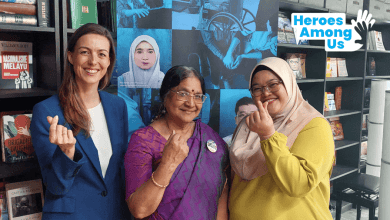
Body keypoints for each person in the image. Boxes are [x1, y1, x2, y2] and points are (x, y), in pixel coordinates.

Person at [30, 23, 142, 219]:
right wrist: (66, 154)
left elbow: (119, 170)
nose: (93, 61)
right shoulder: (46, 111)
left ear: (109, 61)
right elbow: (54, 186)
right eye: (85, 52)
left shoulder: (118, 106)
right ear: (71, 56)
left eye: (101, 54)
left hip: (115, 213)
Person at [229, 57, 335, 219]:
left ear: (289, 83)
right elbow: (236, 178)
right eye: (257, 88)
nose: (265, 93)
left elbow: (298, 184)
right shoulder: (248, 124)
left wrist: (268, 136)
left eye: (273, 84)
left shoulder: (314, 125)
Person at [124, 66, 229, 219]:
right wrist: (168, 163)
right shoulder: (143, 140)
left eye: (198, 96)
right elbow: (139, 209)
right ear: (165, 96)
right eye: (183, 94)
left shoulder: (210, 138)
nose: (191, 103)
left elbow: (221, 195)